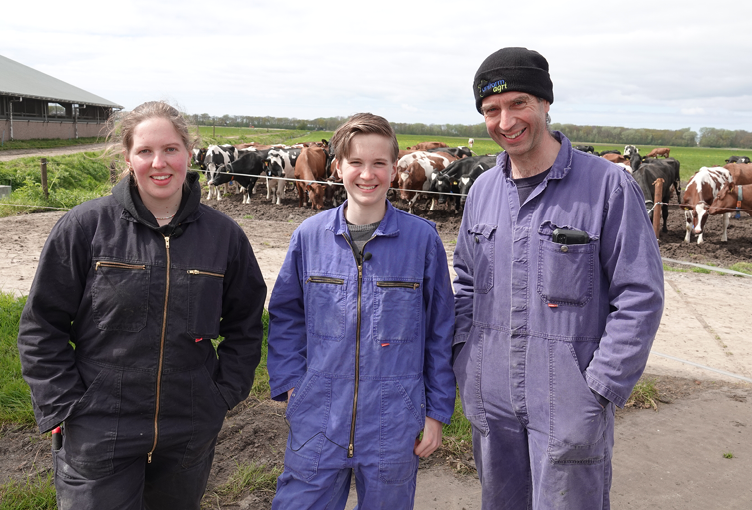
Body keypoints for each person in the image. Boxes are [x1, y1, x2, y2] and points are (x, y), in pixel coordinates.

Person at [17, 101, 267, 510]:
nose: (159, 163)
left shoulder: (224, 237)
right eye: (145, 152)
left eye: (170, 149)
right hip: (98, 427)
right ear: (128, 158)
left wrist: (219, 395)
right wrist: (63, 405)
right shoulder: (86, 227)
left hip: (188, 427)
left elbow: (246, 324)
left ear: (189, 152)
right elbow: (41, 326)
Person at [452, 48, 665, 509]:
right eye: (492, 110)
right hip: (491, 399)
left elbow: (640, 295)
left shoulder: (608, 186)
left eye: (519, 103)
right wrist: (464, 360)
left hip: (569, 399)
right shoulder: (483, 192)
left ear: (546, 104)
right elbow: (466, 281)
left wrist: (600, 387)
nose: (505, 120)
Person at [267, 113, 456, 509]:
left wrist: (436, 412)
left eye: (378, 164)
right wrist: (291, 385)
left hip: (395, 417)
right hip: (318, 414)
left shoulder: (422, 240)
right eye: (355, 163)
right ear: (337, 167)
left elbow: (440, 329)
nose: (367, 174)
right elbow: (286, 315)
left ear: (394, 168)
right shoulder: (309, 236)